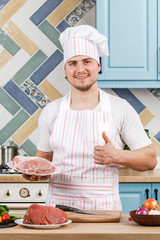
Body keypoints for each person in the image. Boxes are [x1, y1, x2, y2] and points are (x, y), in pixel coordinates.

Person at [22, 25, 157, 211]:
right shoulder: (52, 111)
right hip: (59, 211)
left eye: (87, 61)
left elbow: (150, 160)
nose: (80, 69)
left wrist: (117, 155)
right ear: (65, 69)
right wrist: (34, 172)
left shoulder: (120, 108)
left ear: (98, 66)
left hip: (103, 210)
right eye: (73, 63)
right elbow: (43, 159)